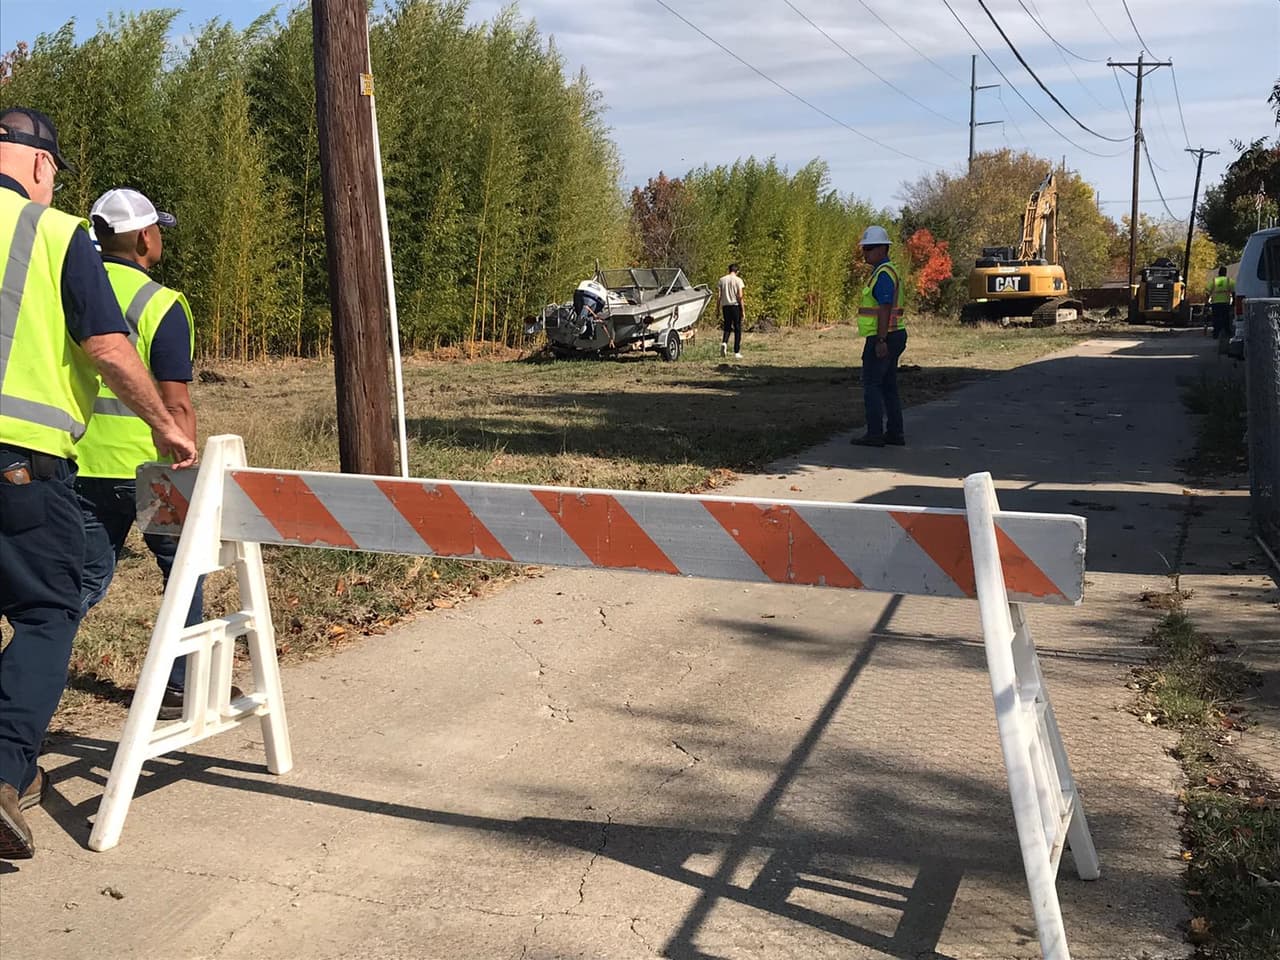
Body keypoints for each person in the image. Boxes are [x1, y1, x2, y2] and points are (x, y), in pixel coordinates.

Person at [0, 108, 197, 861]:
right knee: (52, 611)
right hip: (46, 462)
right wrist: (171, 429)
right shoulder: (55, 239)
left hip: (74, 472)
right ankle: (7, 769)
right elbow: (113, 352)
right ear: (44, 169)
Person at [77, 188, 208, 723]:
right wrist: (189, 459)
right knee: (183, 570)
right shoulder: (161, 303)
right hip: (152, 469)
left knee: (78, 582)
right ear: (145, 239)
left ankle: (25, 675)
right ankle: (177, 687)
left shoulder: (71, 290)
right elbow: (175, 399)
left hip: (81, 463)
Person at [851, 225, 908, 448]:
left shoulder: (883, 274)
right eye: (864, 248)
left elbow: (884, 307)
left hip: (884, 336)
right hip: (894, 334)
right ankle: (895, 432)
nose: (865, 252)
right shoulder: (885, 271)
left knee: (872, 384)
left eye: (870, 248)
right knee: (888, 385)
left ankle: (875, 433)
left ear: (883, 249)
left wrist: (881, 340)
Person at [717, 263, 745, 359]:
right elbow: (740, 296)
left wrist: (717, 309)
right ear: (737, 271)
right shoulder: (738, 280)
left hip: (725, 306)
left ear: (729, 270)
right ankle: (736, 351)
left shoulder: (722, 280)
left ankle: (724, 342)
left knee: (727, 327)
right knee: (737, 329)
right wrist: (743, 310)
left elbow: (719, 296)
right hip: (735, 306)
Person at [1207, 266, 1234, 341]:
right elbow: (1234, 291)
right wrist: (1234, 302)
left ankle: (1216, 334)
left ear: (1219, 272)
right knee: (1226, 318)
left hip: (1215, 303)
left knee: (1216, 319)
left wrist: (1207, 302)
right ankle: (1227, 333)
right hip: (1225, 303)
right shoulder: (1229, 281)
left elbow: (1207, 291)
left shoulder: (1214, 281)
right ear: (1225, 273)